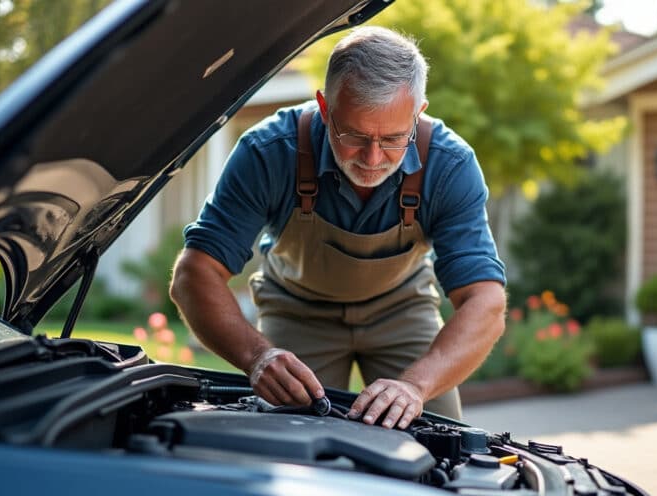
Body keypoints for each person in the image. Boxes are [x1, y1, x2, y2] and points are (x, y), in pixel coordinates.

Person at [170, 26, 506, 430]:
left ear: (418, 114)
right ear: (325, 108)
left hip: (402, 309)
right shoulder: (269, 152)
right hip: (297, 311)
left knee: (436, 441)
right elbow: (194, 274)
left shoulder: (450, 165)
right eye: (354, 135)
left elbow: (486, 302)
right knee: (289, 443)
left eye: (395, 138)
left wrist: (416, 386)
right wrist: (257, 356)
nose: (373, 157)